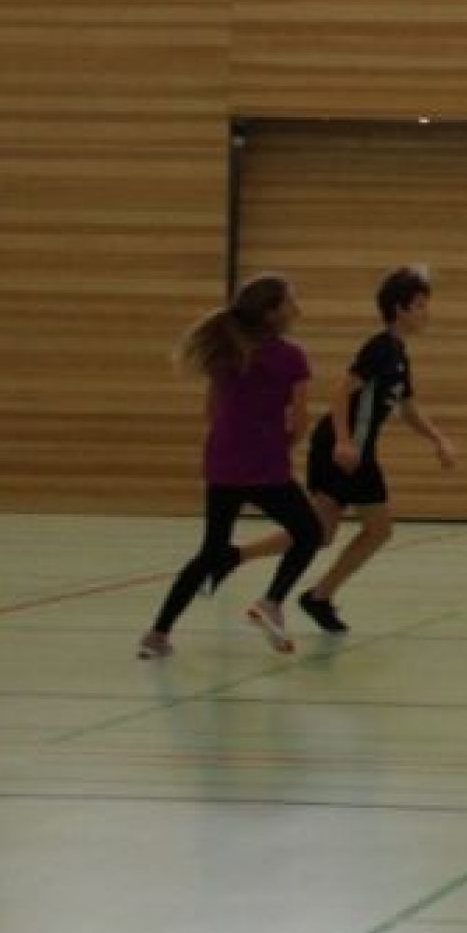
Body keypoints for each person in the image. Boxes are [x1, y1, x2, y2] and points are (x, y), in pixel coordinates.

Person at [235, 264, 458, 631]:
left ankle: (246, 563)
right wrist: (342, 440)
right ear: (400, 308)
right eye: (420, 305)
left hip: (354, 450)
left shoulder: (399, 355)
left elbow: (407, 408)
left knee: (322, 532)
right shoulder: (380, 348)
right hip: (344, 449)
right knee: (373, 530)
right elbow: (342, 391)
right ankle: (309, 594)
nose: (426, 312)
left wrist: (438, 439)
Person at [139, 274, 324, 660]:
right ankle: (272, 602)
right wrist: (280, 445)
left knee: (211, 549)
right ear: (272, 313)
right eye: (291, 303)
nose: (298, 309)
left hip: (222, 461)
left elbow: (212, 410)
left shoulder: (225, 353)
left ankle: (157, 634)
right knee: (309, 532)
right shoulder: (291, 356)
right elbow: (300, 422)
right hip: (265, 464)